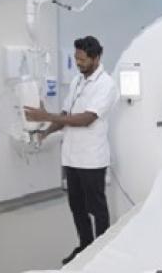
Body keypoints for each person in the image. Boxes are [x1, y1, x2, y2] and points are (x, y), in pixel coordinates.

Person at [25, 35, 119, 265]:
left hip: (91, 158)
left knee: (96, 208)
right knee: (77, 207)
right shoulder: (78, 81)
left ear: (96, 58)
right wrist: (46, 130)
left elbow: (86, 119)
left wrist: (45, 115)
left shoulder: (106, 84)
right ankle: (85, 245)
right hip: (71, 157)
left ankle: (102, 249)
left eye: (83, 59)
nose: (78, 63)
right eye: (76, 58)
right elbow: (66, 116)